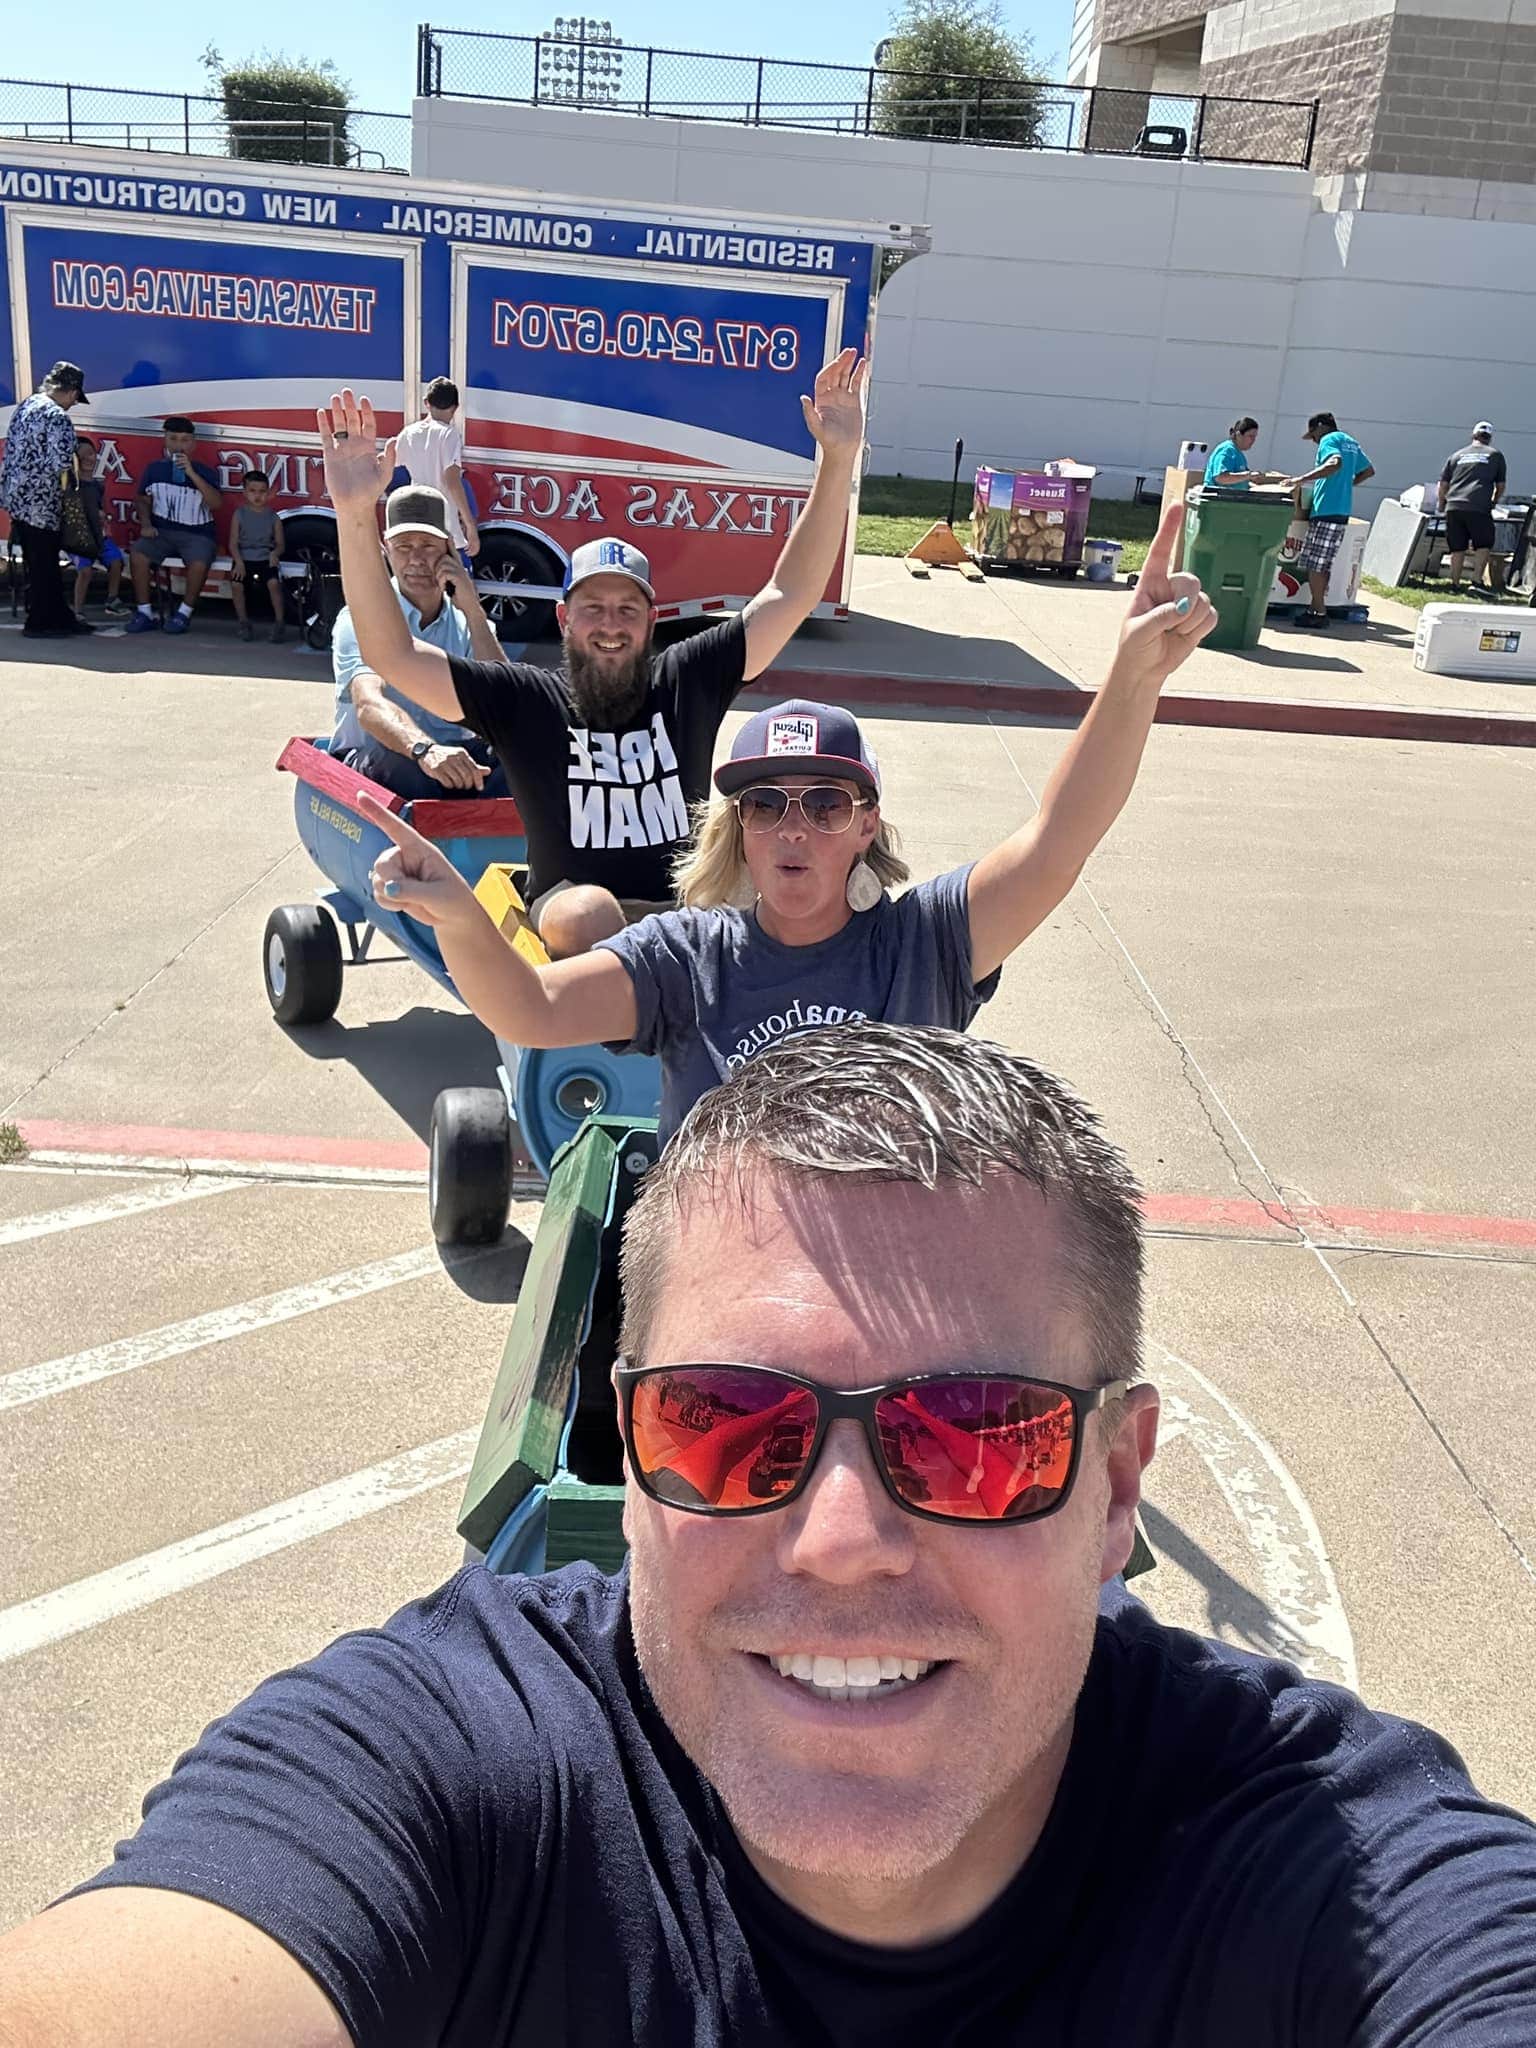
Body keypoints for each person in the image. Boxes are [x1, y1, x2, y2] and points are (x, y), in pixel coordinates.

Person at [3, 1024, 1533, 2046]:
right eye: (730, 1425)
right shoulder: (451, 1764)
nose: (843, 1541)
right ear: (631, 1450)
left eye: (978, 1435)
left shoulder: (1317, 1859)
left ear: (1119, 1487)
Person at [361, 500, 1217, 1143]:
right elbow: (531, 1010)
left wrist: (1133, 679)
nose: (793, 827)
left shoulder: (922, 945)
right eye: (765, 804)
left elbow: (1057, 840)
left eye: (826, 802)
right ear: (737, 828)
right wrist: (459, 913)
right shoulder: (688, 959)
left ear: (868, 826)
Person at [318, 361, 870, 959]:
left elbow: (788, 594)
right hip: (572, 920)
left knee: (816, 887)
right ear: (564, 621)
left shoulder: (687, 678)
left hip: (687, 912)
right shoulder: (526, 701)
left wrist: (838, 459)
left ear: (651, 621)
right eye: (593, 609)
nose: (610, 626)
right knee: (589, 913)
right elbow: (391, 654)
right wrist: (353, 513)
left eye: (627, 610)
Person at [330, 483, 511, 802]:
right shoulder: (362, 615)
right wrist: (424, 749)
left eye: (427, 545)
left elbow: (507, 700)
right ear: (385, 549)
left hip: (446, 758)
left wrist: (474, 612)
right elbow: (368, 704)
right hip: (378, 757)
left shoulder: (462, 620)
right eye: (403, 546)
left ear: (449, 549)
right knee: (408, 769)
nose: (415, 559)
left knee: (522, 756)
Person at [0, 359, 90, 639]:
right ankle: (40, 622)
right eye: (76, 399)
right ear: (72, 392)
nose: (73, 404)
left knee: (37, 560)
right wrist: (73, 499)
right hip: (43, 503)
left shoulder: (27, 405)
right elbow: (62, 464)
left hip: (19, 499)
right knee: (44, 564)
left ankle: (59, 616)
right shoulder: (57, 416)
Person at [125, 416, 223, 635]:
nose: (179, 445)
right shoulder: (154, 469)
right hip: (163, 532)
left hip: (197, 533)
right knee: (138, 554)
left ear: (194, 444)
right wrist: (146, 523)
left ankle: (183, 614)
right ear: (165, 441)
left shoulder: (205, 472)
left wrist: (191, 473)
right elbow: (142, 499)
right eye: (174, 439)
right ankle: (144, 613)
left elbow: (216, 503)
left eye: (185, 440)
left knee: (199, 562)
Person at [1284, 411, 1374, 630]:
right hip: (1341, 510)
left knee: (1315, 565)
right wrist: (1346, 485)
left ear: (1321, 427)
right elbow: (1368, 470)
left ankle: (1318, 612)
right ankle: (1317, 609)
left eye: (1313, 433)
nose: (1313, 440)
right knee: (1322, 564)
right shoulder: (1350, 441)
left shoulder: (1329, 440)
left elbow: (1335, 462)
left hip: (1326, 510)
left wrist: (1301, 479)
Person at [393, 375, 479, 562]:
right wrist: (470, 523)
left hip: (417, 521)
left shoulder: (408, 433)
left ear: (426, 403)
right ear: (456, 407)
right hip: (445, 528)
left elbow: (392, 467)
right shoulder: (449, 435)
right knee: (457, 583)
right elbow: (452, 480)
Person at [1437, 421, 1507, 596]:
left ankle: (1454, 584)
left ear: (1473, 436)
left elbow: (1443, 484)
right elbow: (1501, 485)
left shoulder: (1457, 455)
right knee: (1483, 545)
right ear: (1489, 438)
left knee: (1457, 547)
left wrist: (1442, 504)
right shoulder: (1495, 455)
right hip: (1478, 506)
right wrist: (1494, 501)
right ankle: (1476, 581)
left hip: (1454, 506)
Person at [67, 436, 129, 620]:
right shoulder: (69, 485)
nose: (88, 458)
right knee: (84, 571)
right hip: (77, 537)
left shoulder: (97, 485)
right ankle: (78, 610)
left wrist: (102, 518)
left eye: (91, 454)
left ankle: (112, 599)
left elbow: (100, 509)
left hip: (99, 536)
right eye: (82, 455)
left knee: (116, 561)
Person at [229, 470, 286, 643]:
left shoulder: (273, 517)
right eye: (253, 491)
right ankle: (243, 623)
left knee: (274, 583)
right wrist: (238, 562)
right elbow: (233, 543)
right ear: (245, 493)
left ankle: (279, 622)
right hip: (243, 558)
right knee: (236, 585)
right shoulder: (239, 514)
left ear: (268, 493)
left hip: (265, 558)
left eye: (262, 491)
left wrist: (275, 554)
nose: (257, 496)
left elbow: (280, 544)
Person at [1201, 417, 1286, 490]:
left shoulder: (1238, 453)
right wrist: (1248, 475)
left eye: (1255, 437)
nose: (1253, 440)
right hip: (1216, 502)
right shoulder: (1226, 450)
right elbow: (1221, 477)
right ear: (1238, 435)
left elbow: (1241, 481)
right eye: (1250, 436)